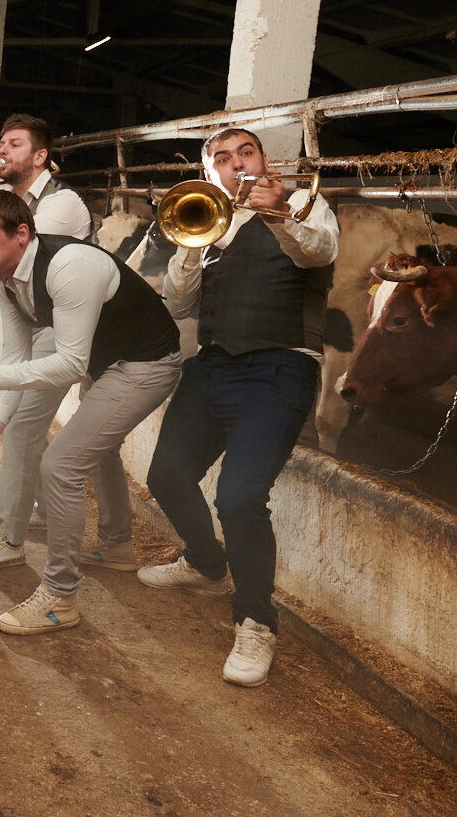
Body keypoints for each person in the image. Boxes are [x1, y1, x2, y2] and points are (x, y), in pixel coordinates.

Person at [137, 127, 338, 687]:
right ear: (209, 174)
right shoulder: (208, 220)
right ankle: (206, 564)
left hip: (278, 367)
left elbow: (320, 252)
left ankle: (256, 621)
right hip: (213, 365)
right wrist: (191, 243)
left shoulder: (305, 204)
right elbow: (179, 305)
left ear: (264, 159)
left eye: (245, 153)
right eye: (221, 159)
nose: (236, 164)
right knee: (166, 476)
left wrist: (279, 214)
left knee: (240, 498)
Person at [0, 190, 182, 634]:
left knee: (61, 465)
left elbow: (70, 364)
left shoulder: (69, 266)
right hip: (111, 361)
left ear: (21, 234)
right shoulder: (6, 279)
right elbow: (16, 359)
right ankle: (117, 546)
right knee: (97, 450)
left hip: (147, 363)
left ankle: (59, 598)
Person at [0, 114, 98, 549]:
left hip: (67, 323)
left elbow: (24, 253)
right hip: (36, 317)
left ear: (40, 156)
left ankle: (9, 539)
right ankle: (69, 521)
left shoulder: (63, 202)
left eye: (14, 144)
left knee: (24, 425)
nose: (1, 150)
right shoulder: (4, 205)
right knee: (25, 421)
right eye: (1, 143)